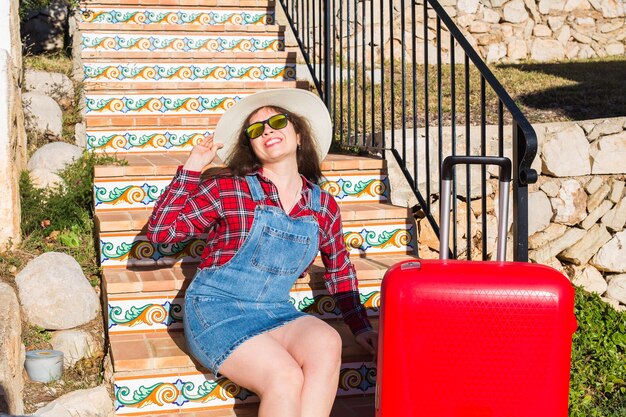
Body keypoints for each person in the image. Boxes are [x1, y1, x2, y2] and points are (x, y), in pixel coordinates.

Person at [147, 89, 378, 417]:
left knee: (327, 341)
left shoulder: (322, 205)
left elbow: (339, 268)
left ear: (298, 135)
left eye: (277, 122)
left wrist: (360, 326)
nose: (267, 130)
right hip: (217, 310)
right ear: (252, 147)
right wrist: (194, 167)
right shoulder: (228, 189)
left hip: (276, 311)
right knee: (284, 376)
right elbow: (161, 233)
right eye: (256, 129)